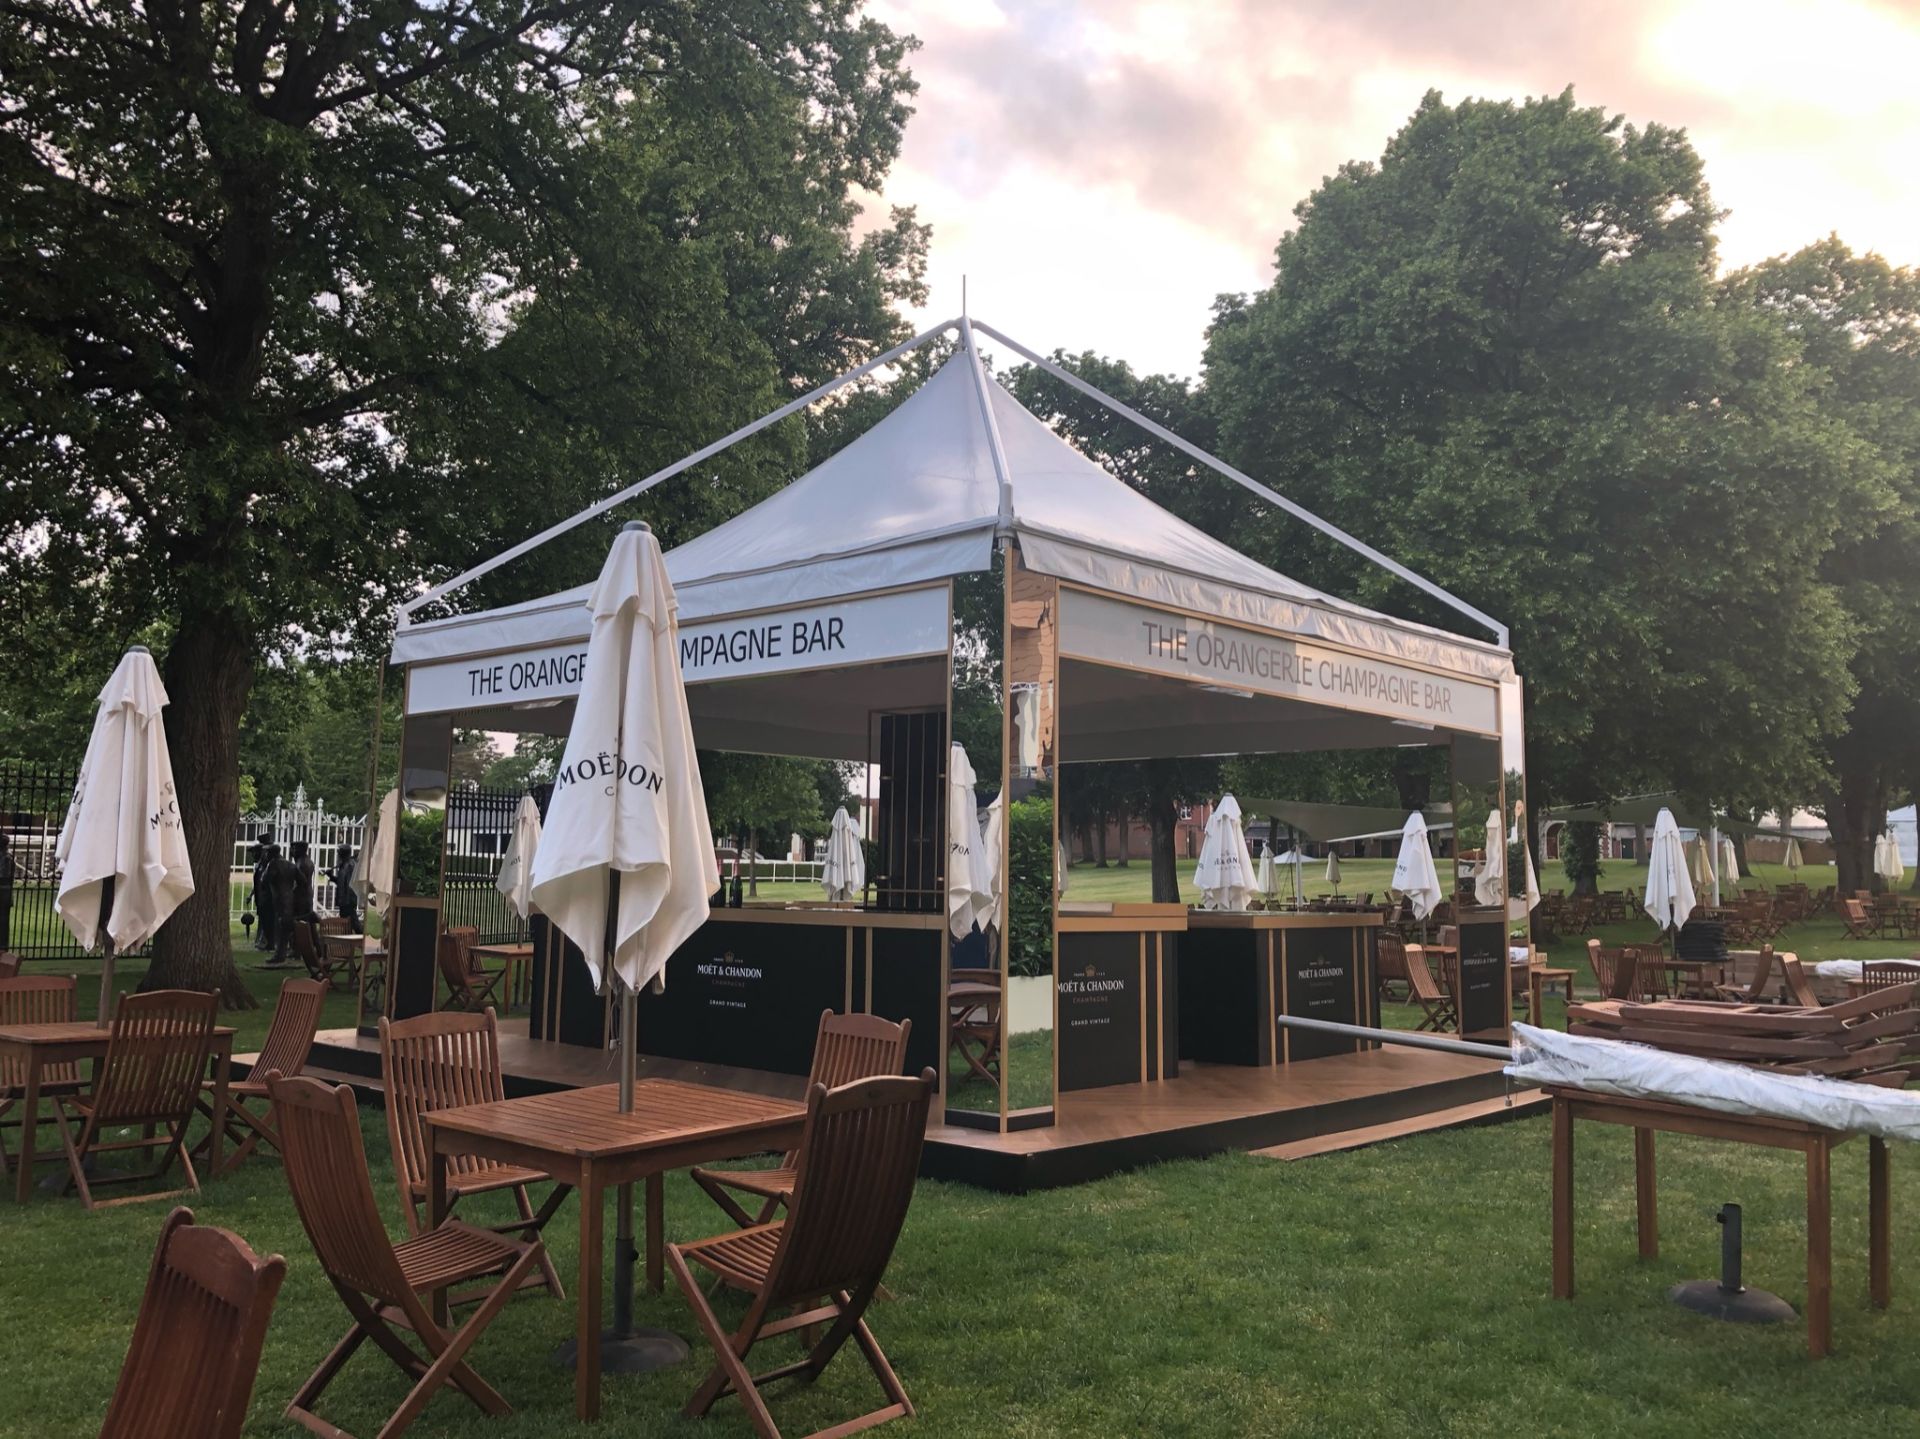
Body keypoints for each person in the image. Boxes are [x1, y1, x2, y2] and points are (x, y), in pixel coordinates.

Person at [249, 840, 278, 951]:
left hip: (267, 899)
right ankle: (263, 940)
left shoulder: (268, 865)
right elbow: (258, 883)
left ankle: (268, 941)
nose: (253, 855)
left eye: (254, 852)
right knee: (263, 920)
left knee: (268, 921)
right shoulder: (261, 865)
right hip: (262, 898)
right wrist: (251, 895)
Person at [331, 843, 360, 930]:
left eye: (339, 853)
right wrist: (331, 877)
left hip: (348, 902)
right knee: (346, 926)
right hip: (343, 902)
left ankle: (363, 937)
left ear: (343, 854)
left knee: (354, 924)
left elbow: (350, 885)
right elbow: (341, 883)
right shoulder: (343, 865)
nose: (337, 855)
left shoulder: (350, 866)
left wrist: (348, 902)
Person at [0, 833, 14, 952]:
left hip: (4, 892)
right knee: (4, 921)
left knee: (3, 921)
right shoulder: (9, 857)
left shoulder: (6, 858)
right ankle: (3, 947)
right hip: (6, 892)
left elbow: (4, 875)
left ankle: (3, 948)